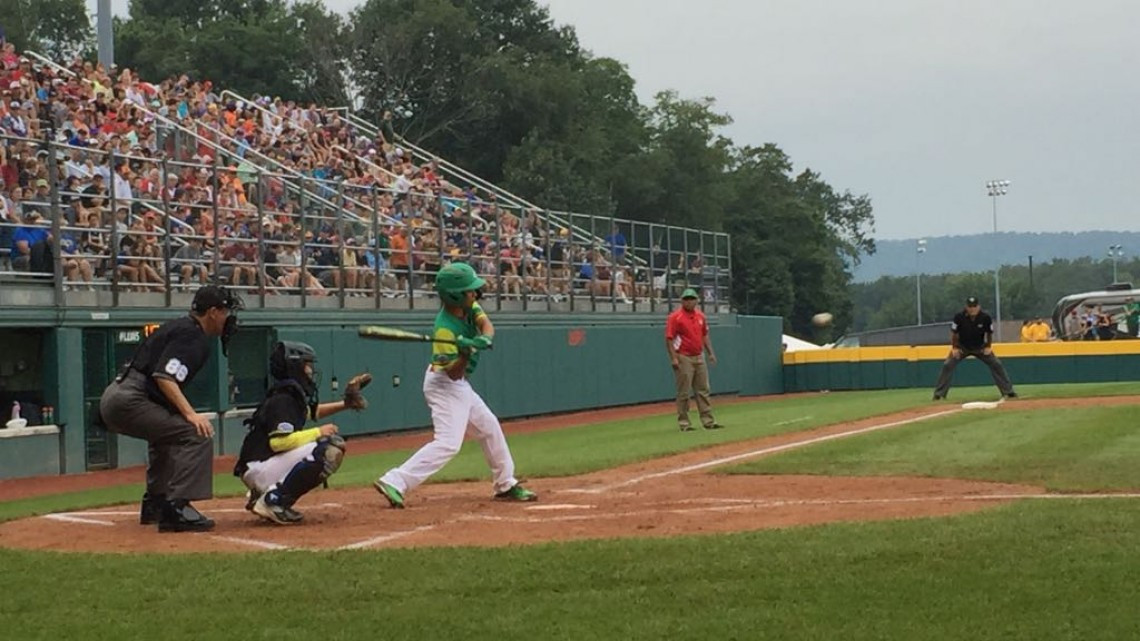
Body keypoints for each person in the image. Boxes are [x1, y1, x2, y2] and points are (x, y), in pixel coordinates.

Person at [374, 262, 536, 508]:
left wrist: (483, 338)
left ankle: (505, 484)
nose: (475, 293)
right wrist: (465, 353)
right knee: (449, 443)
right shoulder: (445, 329)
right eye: (470, 290)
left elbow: (486, 325)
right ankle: (395, 481)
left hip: (459, 387)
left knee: (489, 427)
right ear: (455, 295)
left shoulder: (469, 306)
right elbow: (452, 374)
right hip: (444, 385)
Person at [98, 285, 243, 532]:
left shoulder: (180, 326)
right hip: (132, 398)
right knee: (195, 433)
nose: (229, 317)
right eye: (226, 311)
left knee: (167, 436)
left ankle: (156, 503)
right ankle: (177, 508)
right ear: (212, 312)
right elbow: (165, 376)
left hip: (121, 394)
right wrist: (190, 414)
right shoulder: (193, 335)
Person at [234, 341, 371, 525]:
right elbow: (279, 443)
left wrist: (345, 404)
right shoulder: (283, 399)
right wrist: (318, 431)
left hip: (257, 465)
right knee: (330, 447)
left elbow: (312, 412)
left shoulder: (286, 394)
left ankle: (262, 494)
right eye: (307, 365)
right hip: (259, 468)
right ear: (295, 366)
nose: (310, 370)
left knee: (324, 443)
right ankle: (274, 500)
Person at [932, 296, 1017, 401]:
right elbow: (954, 333)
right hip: (962, 347)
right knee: (947, 365)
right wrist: (954, 348)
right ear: (966, 307)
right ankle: (939, 394)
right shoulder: (959, 317)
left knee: (996, 364)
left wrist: (988, 346)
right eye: (970, 307)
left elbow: (989, 333)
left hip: (979, 347)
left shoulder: (985, 317)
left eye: (974, 306)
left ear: (978, 307)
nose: (972, 309)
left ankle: (1008, 391)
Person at [665, 288, 722, 431]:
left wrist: (710, 353)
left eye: (692, 299)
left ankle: (708, 421)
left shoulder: (701, 316)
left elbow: (705, 336)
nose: (689, 301)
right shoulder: (675, 317)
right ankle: (684, 423)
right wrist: (674, 358)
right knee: (684, 391)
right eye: (687, 299)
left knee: (703, 389)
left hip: (699, 355)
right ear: (682, 301)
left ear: (696, 300)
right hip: (683, 356)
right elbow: (669, 338)